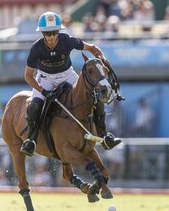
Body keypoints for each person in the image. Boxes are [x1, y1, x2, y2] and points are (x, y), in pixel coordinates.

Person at [20, 11, 121, 156]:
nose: (52, 37)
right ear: (42, 33)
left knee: (95, 98)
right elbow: (28, 76)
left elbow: (92, 48)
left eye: (54, 32)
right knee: (34, 107)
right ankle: (31, 141)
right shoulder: (36, 48)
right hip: (45, 79)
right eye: (48, 34)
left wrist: (102, 58)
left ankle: (104, 136)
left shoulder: (67, 40)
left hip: (67, 75)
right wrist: (42, 90)